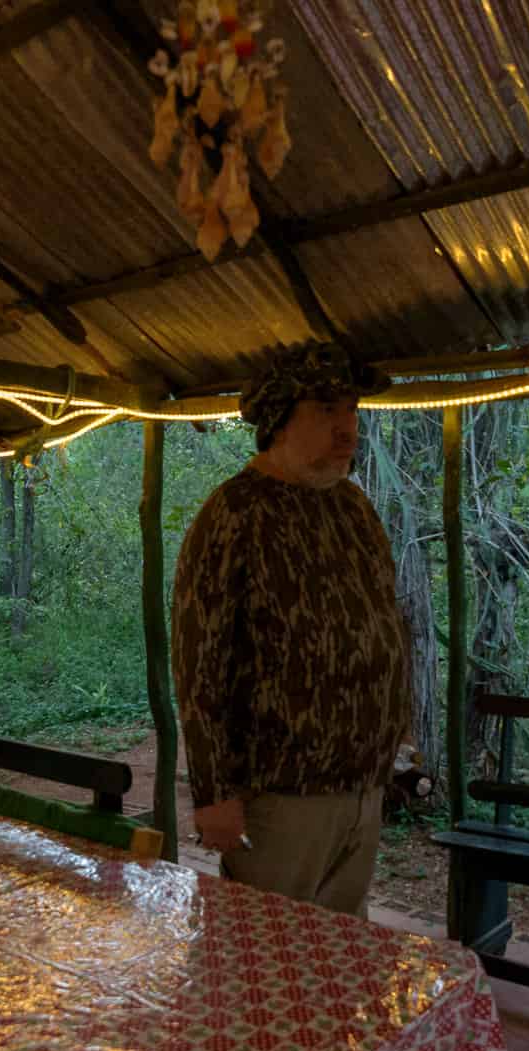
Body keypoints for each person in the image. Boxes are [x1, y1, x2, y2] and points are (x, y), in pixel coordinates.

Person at [170, 341, 411, 915]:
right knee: (263, 957)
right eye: (327, 410)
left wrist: (395, 738)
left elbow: (386, 625)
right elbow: (198, 663)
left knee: (338, 955)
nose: (348, 427)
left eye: (351, 409)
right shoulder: (233, 512)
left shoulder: (354, 508)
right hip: (280, 797)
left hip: (362, 788)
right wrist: (213, 794)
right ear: (280, 418)